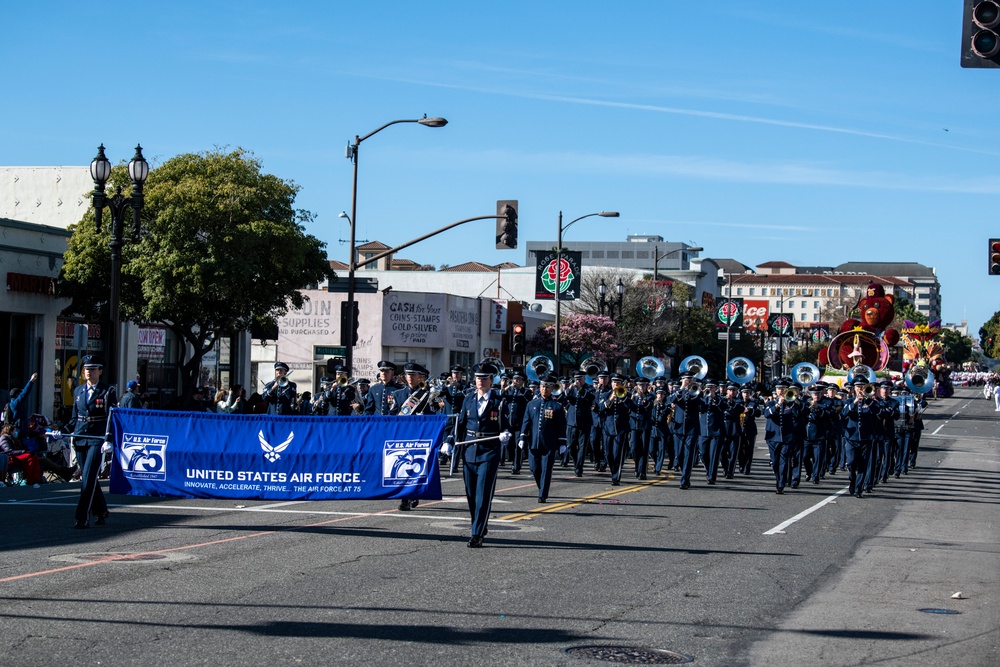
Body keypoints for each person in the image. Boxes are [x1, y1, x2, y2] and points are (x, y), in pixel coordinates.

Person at [455, 361, 510, 547]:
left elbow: (507, 425)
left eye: (484, 379)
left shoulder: (499, 401)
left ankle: (477, 533)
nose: (480, 382)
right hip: (470, 451)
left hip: (489, 451)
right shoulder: (468, 399)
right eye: (478, 379)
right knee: (470, 494)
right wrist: (449, 441)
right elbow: (460, 424)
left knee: (483, 494)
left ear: (491, 380)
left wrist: (506, 433)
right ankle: (479, 524)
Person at [68, 355, 117, 528]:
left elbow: (112, 417)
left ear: (100, 371)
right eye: (86, 369)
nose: (89, 372)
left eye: (93, 369)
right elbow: (75, 417)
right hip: (81, 438)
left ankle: (82, 517)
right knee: (88, 478)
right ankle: (101, 510)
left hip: (97, 438)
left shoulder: (107, 391)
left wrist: (109, 438)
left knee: (88, 478)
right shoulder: (78, 391)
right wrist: (63, 431)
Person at [518, 373, 567, 502]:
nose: (544, 389)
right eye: (542, 387)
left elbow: (561, 426)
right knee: (534, 468)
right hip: (534, 442)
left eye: (547, 387)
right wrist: (522, 437)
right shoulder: (531, 404)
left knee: (546, 469)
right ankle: (542, 488)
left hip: (549, 444)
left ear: (552, 389)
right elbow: (526, 422)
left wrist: (562, 442)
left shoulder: (557, 406)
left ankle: (542, 494)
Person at [6, 372, 39, 439]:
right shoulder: (14, 404)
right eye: (19, 393)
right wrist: (31, 381)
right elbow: (24, 395)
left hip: (22, 433)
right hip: (19, 434)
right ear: (17, 395)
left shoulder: (18, 405)